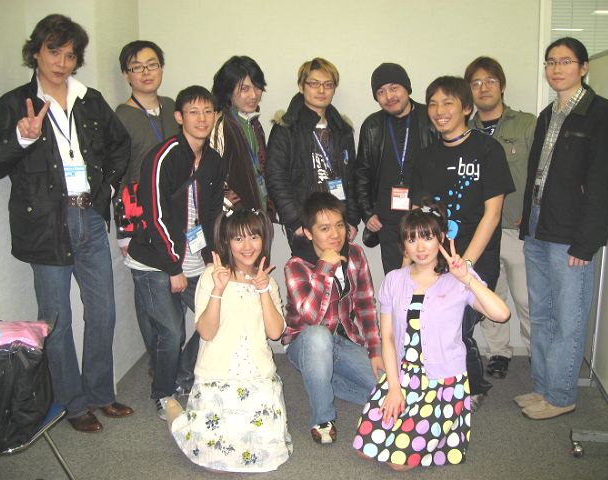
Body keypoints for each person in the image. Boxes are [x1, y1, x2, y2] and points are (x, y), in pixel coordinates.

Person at [0, 14, 132, 433]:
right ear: (36, 52)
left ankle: (100, 393)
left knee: (102, 312)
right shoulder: (16, 103)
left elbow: (120, 146)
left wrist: (106, 189)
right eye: (54, 51)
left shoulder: (89, 99)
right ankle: (72, 402)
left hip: (90, 215)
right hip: (46, 223)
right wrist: (22, 137)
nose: (62, 62)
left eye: (70, 55)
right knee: (56, 319)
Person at [353, 202, 509, 471]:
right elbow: (387, 338)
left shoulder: (457, 279)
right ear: (404, 245)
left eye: (427, 237)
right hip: (402, 376)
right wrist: (393, 388)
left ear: (441, 238)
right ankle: (419, 428)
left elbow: (502, 314)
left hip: (441, 382)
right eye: (411, 239)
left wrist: (467, 278)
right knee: (365, 449)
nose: (420, 247)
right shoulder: (394, 280)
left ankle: (443, 433)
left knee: (398, 463)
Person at [517, 37, 608, 420]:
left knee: (567, 316)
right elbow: (538, 174)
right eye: (551, 62)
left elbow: (606, 182)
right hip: (538, 224)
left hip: (570, 234)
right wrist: (526, 218)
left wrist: (586, 242)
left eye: (565, 61)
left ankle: (561, 396)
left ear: (583, 67)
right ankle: (543, 387)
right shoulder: (548, 114)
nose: (556, 69)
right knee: (541, 313)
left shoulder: (601, 113)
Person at [410, 76, 515, 411]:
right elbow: (417, 218)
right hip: (433, 259)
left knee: (458, 324)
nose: (439, 110)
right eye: (433, 104)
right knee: (433, 323)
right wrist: (410, 263)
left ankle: (472, 385)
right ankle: (439, 381)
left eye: (448, 103)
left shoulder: (488, 151)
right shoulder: (425, 157)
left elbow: (492, 215)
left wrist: (465, 266)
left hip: (474, 259)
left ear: (466, 108)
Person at [164, 208, 293, 472]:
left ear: (263, 239)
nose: (247, 246)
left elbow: (275, 333)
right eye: (238, 239)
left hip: (257, 375)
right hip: (217, 374)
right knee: (212, 458)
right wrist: (218, 290)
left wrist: (263, 290)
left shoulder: (268, 281)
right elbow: (206, 332)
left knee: (267, 456)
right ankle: (175, 414)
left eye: (254, 237)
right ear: (227, 241)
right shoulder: (212, 275)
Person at [126, 86, 224, 419]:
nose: (202, 118)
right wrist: (173, 266)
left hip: (193, 258)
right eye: (194, 112)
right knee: (172, 331)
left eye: (208, 111)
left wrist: (214, 259)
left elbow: (212, 215)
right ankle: (163, 393)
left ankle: (181, 376)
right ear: (179, 117)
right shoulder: (163, 156)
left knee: (218, 316)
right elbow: (155, 216)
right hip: (155, 261)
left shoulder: (213, 160)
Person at [282, 192, 383, 444]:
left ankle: (323, 381)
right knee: (318, 335)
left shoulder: (355, 254)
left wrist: (375, 350)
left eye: (339, 225)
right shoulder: (296, 265)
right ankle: (322, 418)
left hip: (345, 342)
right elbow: (311, 318)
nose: (335, 234)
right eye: (324, 228)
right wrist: (324, 269)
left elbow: (365, 305)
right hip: (305, 344)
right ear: (308, 232)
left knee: (387, 388)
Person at [465, 57, 536, 378]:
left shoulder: (525, 124)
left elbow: (540, 175)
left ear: (502, 86)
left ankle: (537, 353)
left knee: (526, 298)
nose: (484, 88)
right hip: (480, 231)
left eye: (490, 81)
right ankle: (498, 353)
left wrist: (531, 214)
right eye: (476, 83)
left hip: (516, 229)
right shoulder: (464, 130)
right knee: (489, 293)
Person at [266, 57, 358, 249]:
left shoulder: (342, 130)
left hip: (338, 222)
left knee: (339, 267)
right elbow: (276, 178)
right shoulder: (286, 128)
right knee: (307, 269)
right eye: (314, 84)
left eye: (328, 84)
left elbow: (351, 178)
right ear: (301, 86)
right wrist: (295, 221)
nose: (321, 90)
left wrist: (351, 219)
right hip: (305, 222)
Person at [355, 63, 435, 273]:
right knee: (395, 280)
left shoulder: (430, 118)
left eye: (394, 88)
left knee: (429, 281)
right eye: (381, 92)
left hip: (425, 218)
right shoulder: (372, 125)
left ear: (407, 88)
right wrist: (367, 213)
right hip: (387, 224)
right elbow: (361, 174)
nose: (389, 96)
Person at [115, 40, 180, 255]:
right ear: (126, 75)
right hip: (143, 216)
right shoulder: (122, 117)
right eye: (137, 67)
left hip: (177, 210)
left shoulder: (172, 107)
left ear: (161, 68)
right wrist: (124, 233)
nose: (146, 72)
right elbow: (119, 176)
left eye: (152, 65)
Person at [211, 56, 276, 220]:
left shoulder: (253, 122)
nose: (253, 95)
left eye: (257, 87)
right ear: (228, 90)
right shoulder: (219, 123)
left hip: (258, 216)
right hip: (237, 222)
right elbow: (208, 174)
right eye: (244, 89)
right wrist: (226, 203)